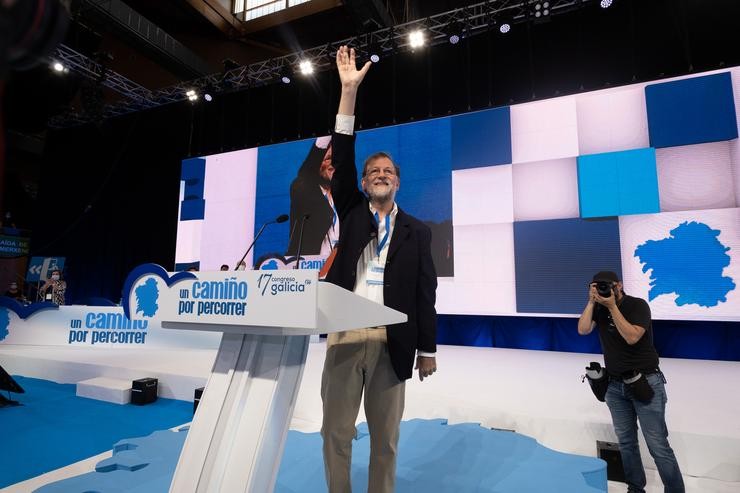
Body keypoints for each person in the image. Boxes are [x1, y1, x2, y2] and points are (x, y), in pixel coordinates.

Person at [320, 45, 438, 493]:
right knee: (336, 434)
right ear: (363, 182)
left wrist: (427, 348)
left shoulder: (417, 231)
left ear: (398, 181)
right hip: (346, 339)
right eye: (373, 171)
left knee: (385, 440)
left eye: (388, 170)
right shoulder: (351, 209)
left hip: (394, 342)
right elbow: (344, 151)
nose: (380, 174)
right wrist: (348, 93)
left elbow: (425, 294)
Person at [577, 271, 684, 493]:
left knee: (658, 446)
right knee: (626, 442)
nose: (603, 290)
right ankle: (636, 489)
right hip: (615, 386)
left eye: (607, 286)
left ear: (619, 285)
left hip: (644, 381)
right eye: (597, 287)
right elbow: (583, 329)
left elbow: (632, 336)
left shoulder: (637, 305)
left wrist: (613, 307)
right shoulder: (598, 308)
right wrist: (591, 302)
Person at [287, 134, 339, 257]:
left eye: (336, 160)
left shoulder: (345, 200)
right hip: (307, 271)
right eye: (328, 159)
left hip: (340, 270)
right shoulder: (303, 189)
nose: (333, 165)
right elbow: (305, 173)